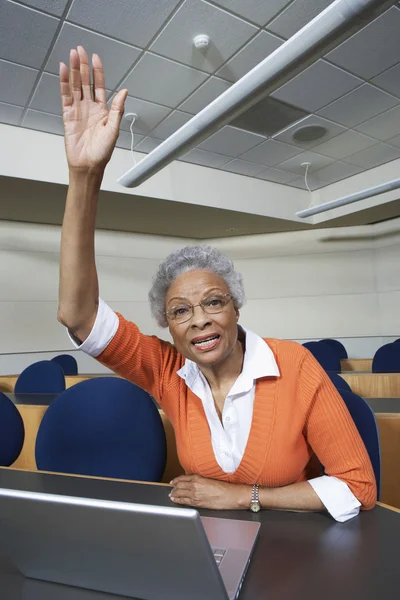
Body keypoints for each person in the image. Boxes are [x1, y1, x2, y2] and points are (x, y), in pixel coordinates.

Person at [58, 46, 376, 522]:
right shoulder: (169, 373)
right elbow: (79, 315)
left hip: (297, 552)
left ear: (236, 309)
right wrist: (85, 175)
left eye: (213, 302)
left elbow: (358, 487)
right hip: (209, 547)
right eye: (180, 311)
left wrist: (245, 497)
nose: (199, 319)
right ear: (168, 325)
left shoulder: (296, 366)